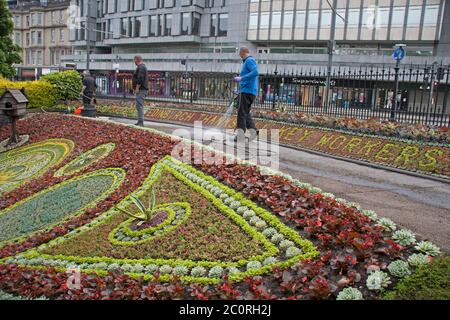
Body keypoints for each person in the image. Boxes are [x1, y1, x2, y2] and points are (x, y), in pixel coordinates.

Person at [233, 47, 259, 142]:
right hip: (247, 91)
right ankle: (253, 131)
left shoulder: (249, 60)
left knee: (241, 113)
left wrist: (241, 78)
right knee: (245, 113)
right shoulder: (248, 61)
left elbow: (256, 72)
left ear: (242, 52)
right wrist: (239, 89)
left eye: (239, 53)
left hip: (247, 91)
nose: (239, 56)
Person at [132, 55, 149, 126]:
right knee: (138, 105)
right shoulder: (141, 67)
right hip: (141, 89)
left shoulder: (141, 67)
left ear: (136, 60)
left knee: (139, 105)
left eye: (134, 60)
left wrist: (137, 88)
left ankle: (141, 122)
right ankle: (139, 121)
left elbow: (140, 78)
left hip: (141, 90)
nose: (134, 62)